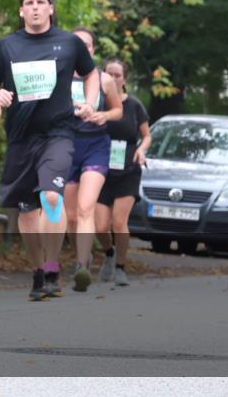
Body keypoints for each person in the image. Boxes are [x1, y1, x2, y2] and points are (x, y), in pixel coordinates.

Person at [0, 0, 99, 301]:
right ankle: (36, 270)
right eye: (29, 3)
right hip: (21, 137)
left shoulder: (69, 42)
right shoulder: (7, 46)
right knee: (28, 212)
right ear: (21, 11)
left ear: (50, 8)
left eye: (40, 2)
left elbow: (91, 73)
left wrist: (91, 103)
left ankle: (51, 267)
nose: (34, 7)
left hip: (58, 133)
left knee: (51, 196)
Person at [63, 27, 122, 292]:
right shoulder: (59, 75)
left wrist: (104, 116)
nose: (82, 49)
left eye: (87, 45)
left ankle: (81, 266)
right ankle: (81, 256)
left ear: (93, 50)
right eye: (77, 44)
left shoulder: (103, 79)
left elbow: (118, 110)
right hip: (65, 146)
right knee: (71, 216)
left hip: (95, 146)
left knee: (87, 208)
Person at [95, 58, 150, 286]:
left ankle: (120, 267)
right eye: (109, 73)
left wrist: (142, 150)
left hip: (128, 168)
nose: (113, 78)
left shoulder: (134, 105)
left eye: (118, 75)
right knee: (100, 226)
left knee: (119, 222)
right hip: (100, 168)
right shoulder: (97, 102)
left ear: (124, 79)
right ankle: (108, 253)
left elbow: (146, 135)